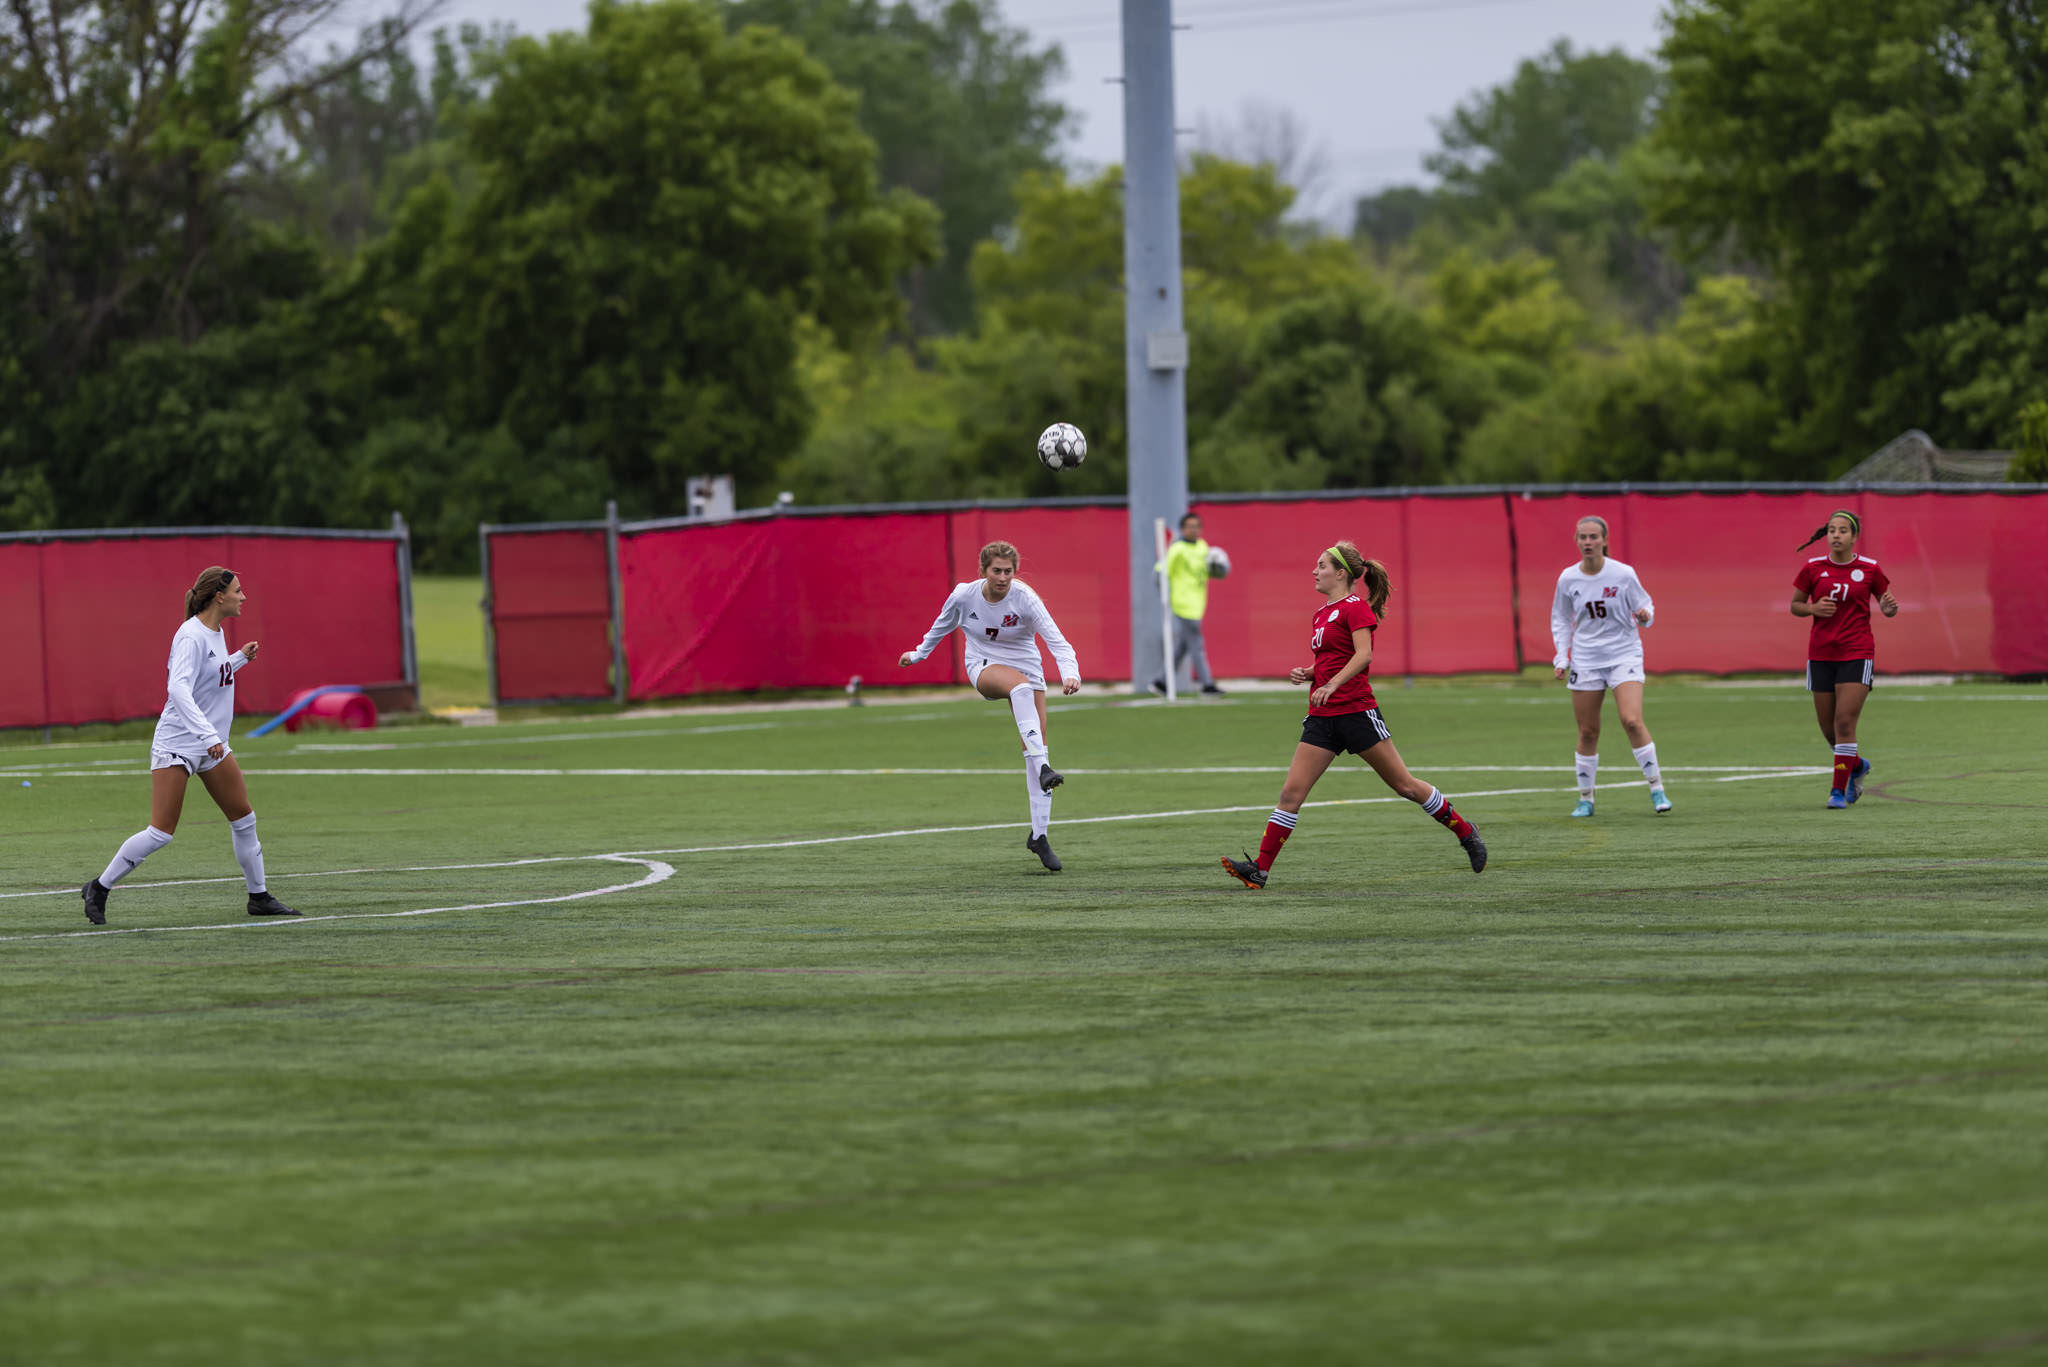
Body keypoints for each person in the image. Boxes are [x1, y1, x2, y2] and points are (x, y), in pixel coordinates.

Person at [1221, 541, 1486, 888]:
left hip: (1357, 712)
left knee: (1404, 785)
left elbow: (1363, 656)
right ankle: (1260, 870)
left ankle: (1466, 832)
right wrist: (1310, 672)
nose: (1315, 572)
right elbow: (1332, 658)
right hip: (1322, 717)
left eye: (1321, 566)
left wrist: (1331, 684)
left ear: (1341, 573)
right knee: (1290, 795)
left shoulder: (1356, 607)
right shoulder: (1320, 613)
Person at [80, 567, 299, 925]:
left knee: (244, 820)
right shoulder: (190, 635)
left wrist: (239, 658)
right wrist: (208, 736)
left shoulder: (215, 633)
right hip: (180, 743)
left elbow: (209, 678)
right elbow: (178, 689)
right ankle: (99, 888)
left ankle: (258, 897)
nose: (244, 597)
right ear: (219, 596)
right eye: (238, 591)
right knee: (161, 833)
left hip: (210, 745)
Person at [900, 541, 1081, 871]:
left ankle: (1039, 837)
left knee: (1037, 746)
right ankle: (1043, 769)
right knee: (1020, 691)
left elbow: (1058, 642)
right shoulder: (964, 595)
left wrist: (1070, 673)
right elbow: (943, 624)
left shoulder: (1025, 598)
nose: (1002, 577)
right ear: (983, 571)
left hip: (1027, 666)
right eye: (996, 571)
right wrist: (919, 653)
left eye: (1008, 571)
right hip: (983, 664)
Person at [1550, 515, 1671, 818]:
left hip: (1623, 655)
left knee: (1631, 720)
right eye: (1583, 537)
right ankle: (1585, 799)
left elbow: (1646, 605)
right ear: (1576, 541)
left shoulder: (1623, 574)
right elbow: (1561, 619)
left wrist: (1645, 616)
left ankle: (1657, 788)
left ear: (1604, 540)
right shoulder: (1567, 579)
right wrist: (1561, 657)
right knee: (1588, 731)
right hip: (1586, 658)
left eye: (1593, 537)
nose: (1588, 542)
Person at [1791, 509, 1898, 809]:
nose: (1836, 535)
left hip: (1857, 652)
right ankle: (1857, 765)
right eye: (1832, 530)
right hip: (1821, 654)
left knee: (1844, 721)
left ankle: (1837, 791)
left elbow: (1887, 606)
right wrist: (1812, 609)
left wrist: (1890, 609)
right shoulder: (1812, 568)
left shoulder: (1870, 569)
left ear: (1854, 537)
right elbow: (1795, 606)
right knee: (1829, 732)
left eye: (1842, 530)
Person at [1149, 512, 1225, 697]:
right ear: (1182, 529)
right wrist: (1164, 595)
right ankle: (1207, 684)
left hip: (1198, 603)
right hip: (1183, 603)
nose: (1194, 530)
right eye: (1190, 526)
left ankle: (1161, 681)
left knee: (1183, 645)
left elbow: (1209, 571)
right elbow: (1160, 571)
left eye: (1197, 526)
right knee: (1197, 644)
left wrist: (1219, 568)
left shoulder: (1202, 547)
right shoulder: (1177, 549)